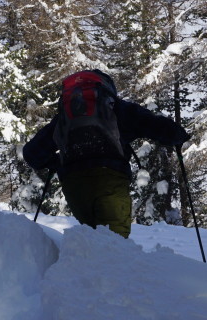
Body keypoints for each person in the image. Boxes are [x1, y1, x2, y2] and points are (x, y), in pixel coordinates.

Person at [23, 70, 189, 238]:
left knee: (96, 242)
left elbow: (32, 154)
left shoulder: (63, 118)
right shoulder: (117, 108)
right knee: (114, 244)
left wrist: (55, 163)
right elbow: (153, 125)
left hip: (74, 185)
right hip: (110, 178)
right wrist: (178, 135)